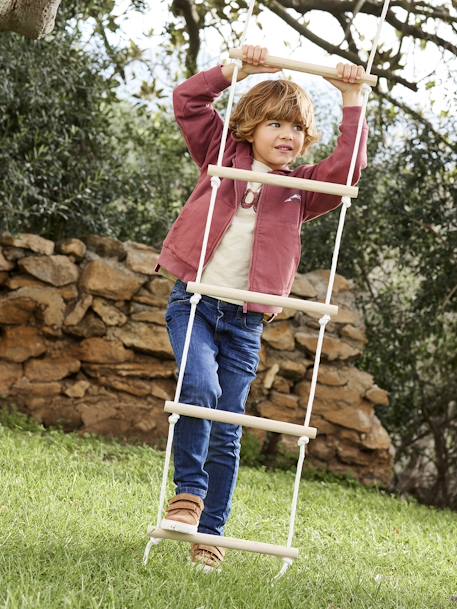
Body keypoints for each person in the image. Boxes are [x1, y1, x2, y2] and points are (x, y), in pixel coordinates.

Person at [154, 45, 368, 572]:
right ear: (250, 126)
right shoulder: (221, 157)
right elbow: (188, 100)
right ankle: (188, 494)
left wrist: (351, 98)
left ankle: (211, 533)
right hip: (196, 303)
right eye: (274, 123)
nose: (286, 135)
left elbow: (348, 170)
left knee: (228, 425)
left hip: (247, 322)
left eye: (296, 127)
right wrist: (235, 72)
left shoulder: (301, 190)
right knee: (198, 392)